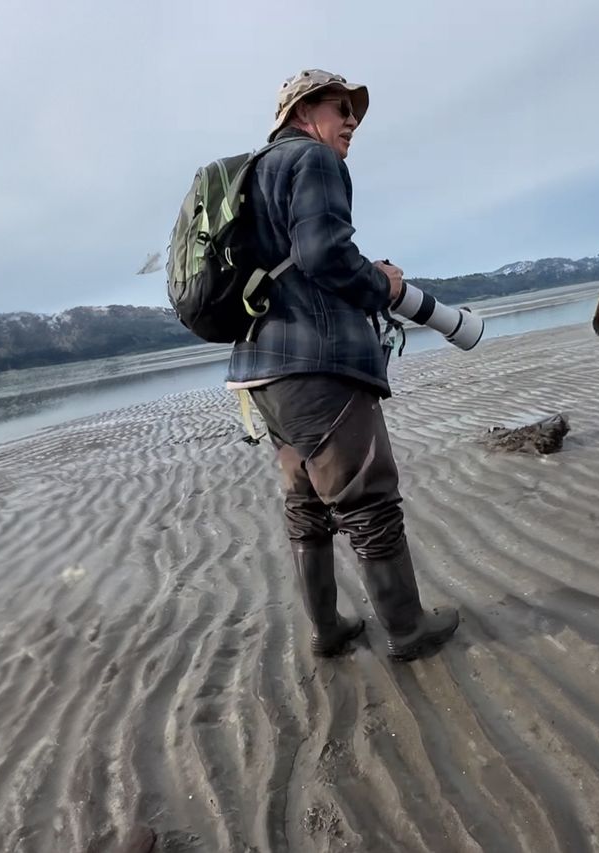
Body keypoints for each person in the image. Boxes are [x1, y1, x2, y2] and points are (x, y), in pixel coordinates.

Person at [226, 69, 459, 661]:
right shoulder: (315, 161)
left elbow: (295, 261)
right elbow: (324, 253)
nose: (352, 119)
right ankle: (408, 630)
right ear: (303, 113)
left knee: (306, 503)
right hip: (316, 365)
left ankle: (327, 629)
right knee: (367, 498)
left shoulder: (250, 175)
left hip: (261, 370)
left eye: (356, 110)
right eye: (340, 107)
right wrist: (379, 283)